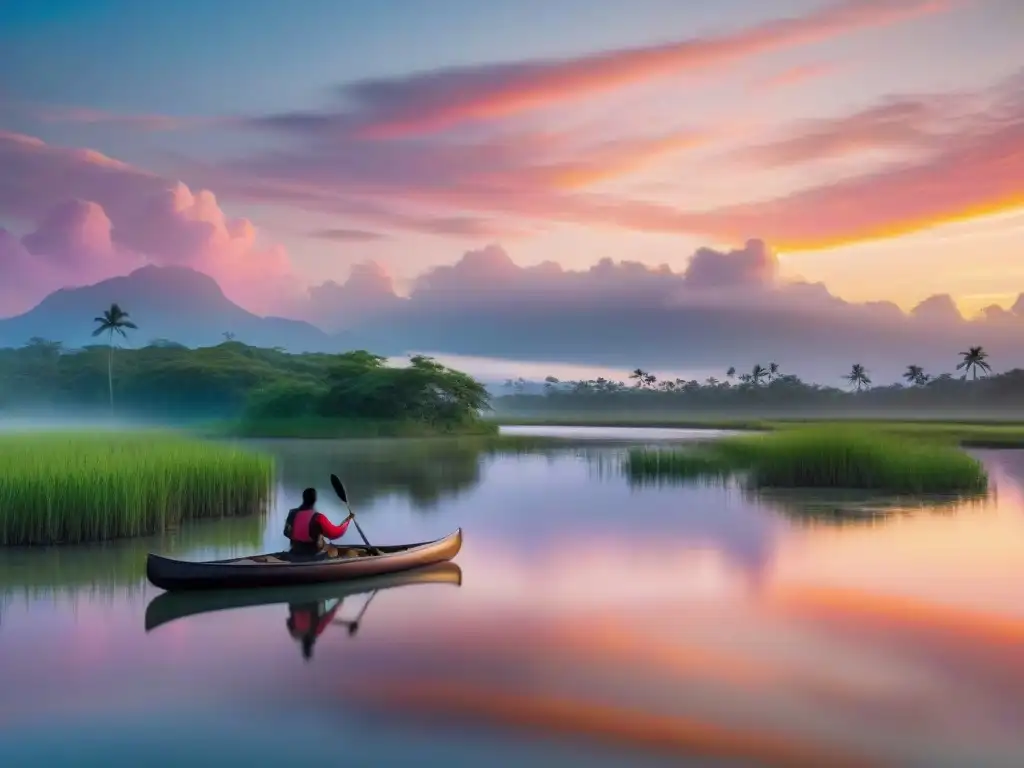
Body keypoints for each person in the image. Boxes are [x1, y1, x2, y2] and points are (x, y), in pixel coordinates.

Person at [283, 487, 354, 558]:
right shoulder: (318, 517)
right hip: (314, 554)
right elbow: (335, 534)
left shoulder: (292, 513)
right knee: (334, 550)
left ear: (303, 498)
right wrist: (347, 521)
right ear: (315, 500)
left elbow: (286, 533)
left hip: (295, 551)